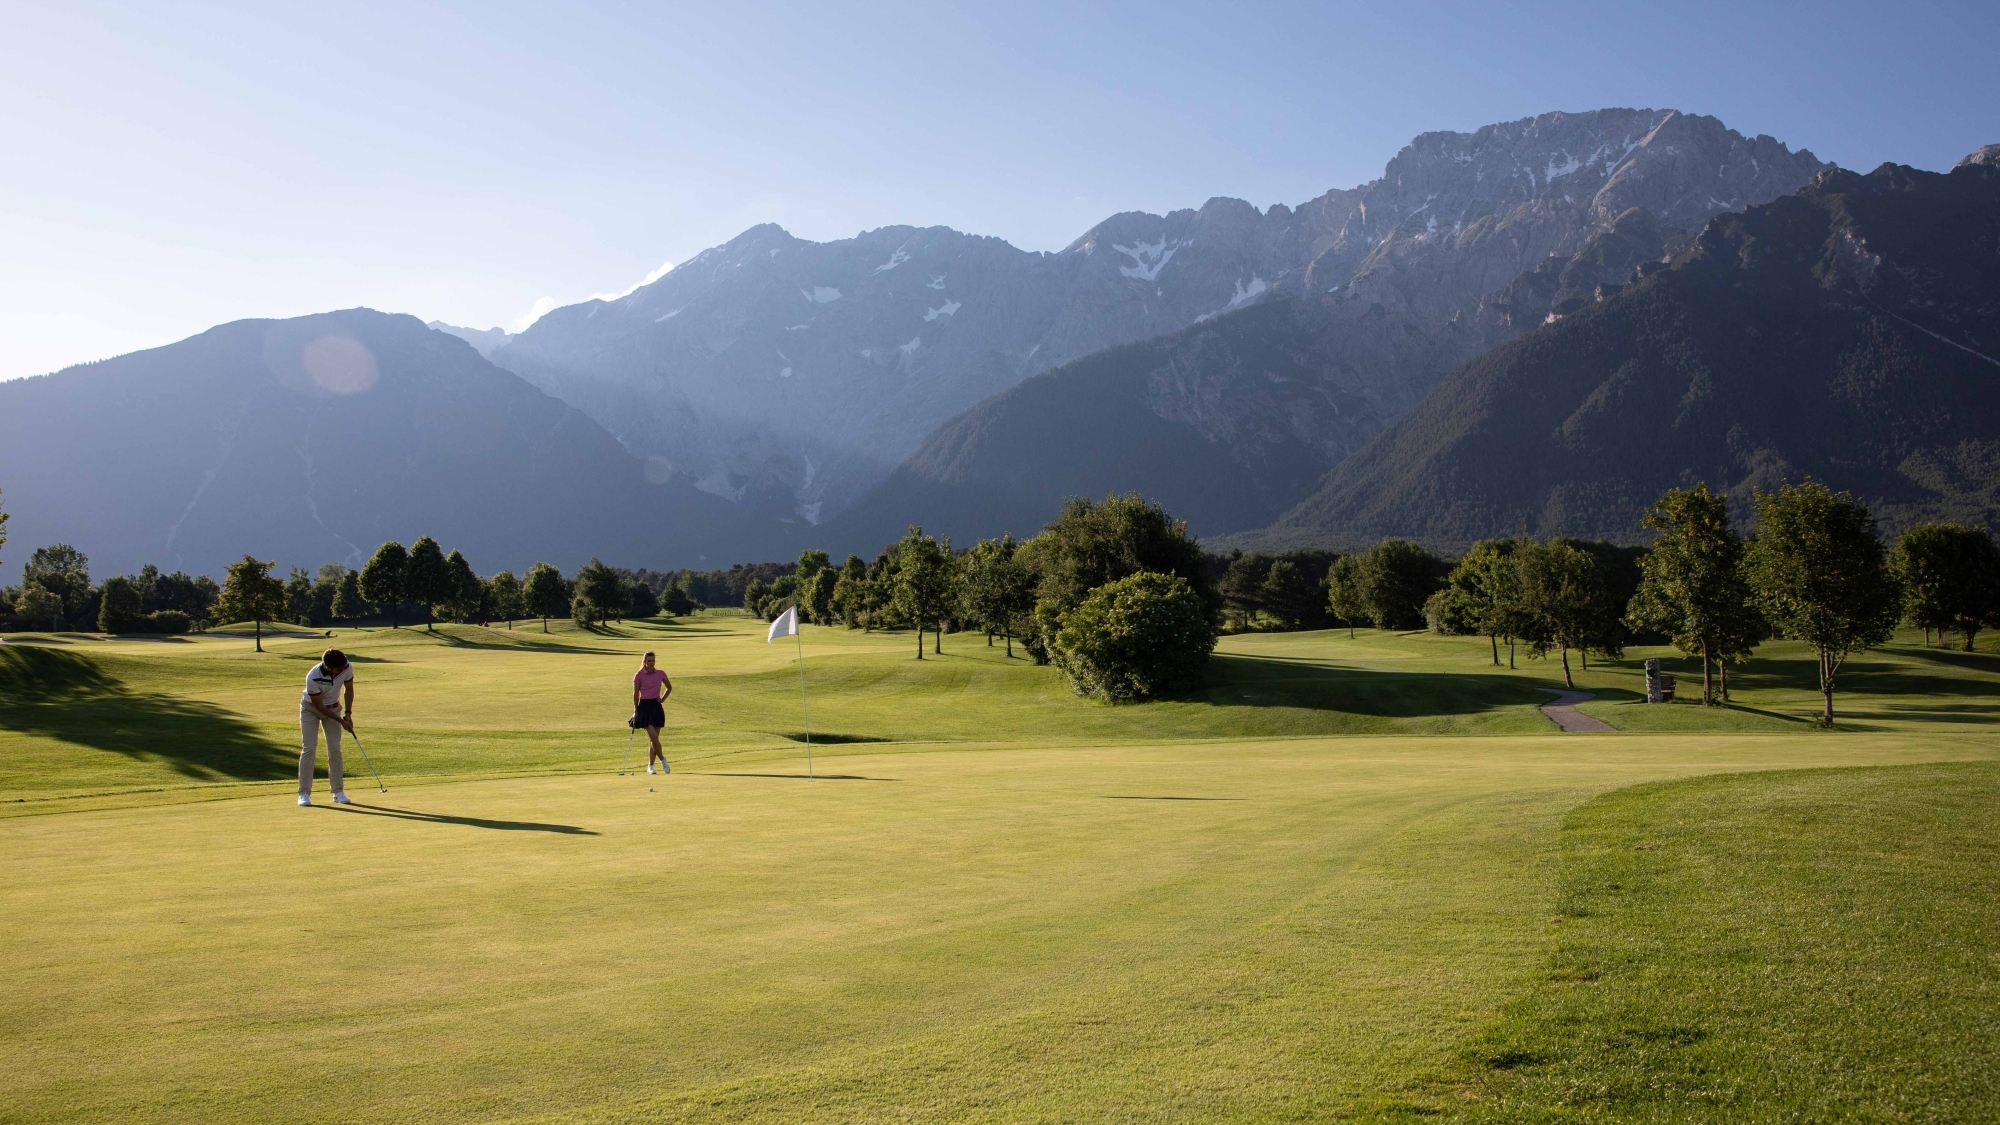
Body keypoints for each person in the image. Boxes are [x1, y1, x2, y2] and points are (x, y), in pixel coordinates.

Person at [300, 648, 355, 806]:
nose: (341, 671)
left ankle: (338, 791)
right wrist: (341, 721)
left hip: (334, 707)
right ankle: (304, 793)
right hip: (311, 710)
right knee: (309, 748)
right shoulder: (313, 678)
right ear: (327, 667)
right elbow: (319, 706)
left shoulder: (346, 666)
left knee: (335, 748)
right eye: (337, 669)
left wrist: (348, 714)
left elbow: (349, 689)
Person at [633, 650, 673, 774]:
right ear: (644, 662)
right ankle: (662, 759)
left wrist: (662, 699)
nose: (651, 663)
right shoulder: (638, 675)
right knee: (654, 738)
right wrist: (635, 710)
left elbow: (669, 687)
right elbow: (635, 694)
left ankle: (650, 766)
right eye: (649, 661)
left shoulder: (660, 673)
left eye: (653, 660)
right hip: (644, 707)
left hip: (656, 706)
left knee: (653, 740)